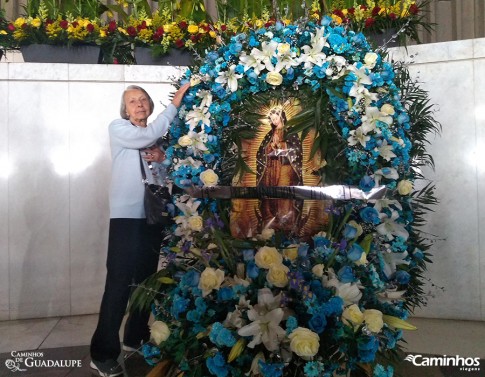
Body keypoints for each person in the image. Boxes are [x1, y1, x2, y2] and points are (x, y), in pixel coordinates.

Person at [90, 83, 190, 377]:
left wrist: (165, 158)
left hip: (152, 218)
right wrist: (176, 104)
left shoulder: (154, 141)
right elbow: (147, 134)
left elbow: (165, 177)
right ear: (125, 109)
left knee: (146, 280)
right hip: (126, 218)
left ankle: (135, 337)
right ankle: (102, 354)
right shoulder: (120, 128)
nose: (139, 104)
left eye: (143, 99)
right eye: (133, 101)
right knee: (119, 282)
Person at [256, 106, 303, 233]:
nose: (274, 121)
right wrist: (269, 148)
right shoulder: (269, 134)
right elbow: (261, 151)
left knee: (284, 193)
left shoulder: (290, 132)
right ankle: (270, 223)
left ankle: (287, 223)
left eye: (275, 118)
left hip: (285, 168)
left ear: (281, 117)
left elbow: (296, 150)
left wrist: (281, 146)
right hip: (271, 168)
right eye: (272, 119)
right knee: (270, 194)